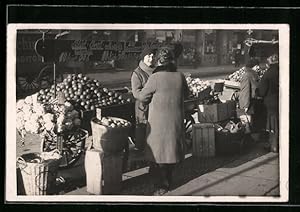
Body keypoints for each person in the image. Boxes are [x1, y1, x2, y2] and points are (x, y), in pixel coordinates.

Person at [134, 47, 190, 195]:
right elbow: (186, 94)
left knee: (159, 154)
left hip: (159, 123)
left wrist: (136, 92)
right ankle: (167, 180)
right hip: (175, 121)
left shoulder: (155, 78)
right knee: (171, 151)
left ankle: (162, 186)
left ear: (159, 61)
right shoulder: (180, 76)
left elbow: (143, 97)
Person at [131, 46, 157, 151]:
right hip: (143, 106)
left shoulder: (157, 71)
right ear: (143, 57)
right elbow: (136, 93)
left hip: (156, 105)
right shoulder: (137, 73)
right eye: (148, 56)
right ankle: (140, 150)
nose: (151, 59)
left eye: (152, 56)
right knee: (142, 126)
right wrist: (151, 96)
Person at [257, 54, 279, 153]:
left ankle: (274, 146)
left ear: (269, 63)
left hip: (271, 103)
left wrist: (257, 92)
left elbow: (262, 91)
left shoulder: (268, 74)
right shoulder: (281, 71)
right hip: (280, 100)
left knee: (272, 125)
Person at [237, 59, 260, 134]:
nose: (258, 67)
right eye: (257, 66)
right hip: (248, 102)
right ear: (254, 66)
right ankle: (248, 139)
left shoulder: (251, 74)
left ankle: (250, 138)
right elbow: (245, 91)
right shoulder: (248, 75)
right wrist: (245, 106)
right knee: (248, 123)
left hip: (251, 101)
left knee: (250, 123)